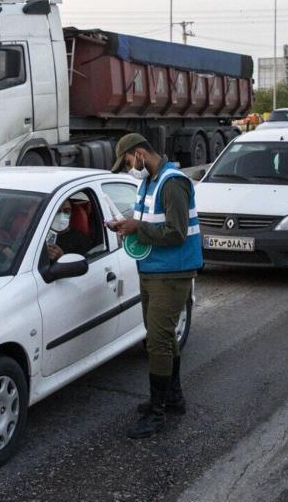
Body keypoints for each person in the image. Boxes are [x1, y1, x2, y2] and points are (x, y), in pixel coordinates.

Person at [106, 133, 202, 439]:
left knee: (158, 341)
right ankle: (173, 399)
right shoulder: (150, 181)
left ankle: (158, 413)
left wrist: (138, 228)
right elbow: (149, 221)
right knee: (162, 337)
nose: (128, 169)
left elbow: (177, 233)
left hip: (171, 274)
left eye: (128, 163)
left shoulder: (172, 182)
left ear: (140, 154)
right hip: (152, 269)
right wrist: (126, 225)